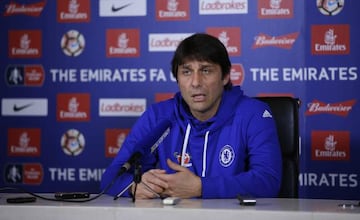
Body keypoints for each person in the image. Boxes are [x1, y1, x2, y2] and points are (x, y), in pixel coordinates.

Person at [100, 33, 282, 199]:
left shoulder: (253, 114)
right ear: (177, 79)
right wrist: (134, 187)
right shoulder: (158, 116)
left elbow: (268, 181)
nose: (196, 82)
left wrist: (201, 187)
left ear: (225, 76)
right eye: (186, 72)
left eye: (206, 70)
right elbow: (111, 178)